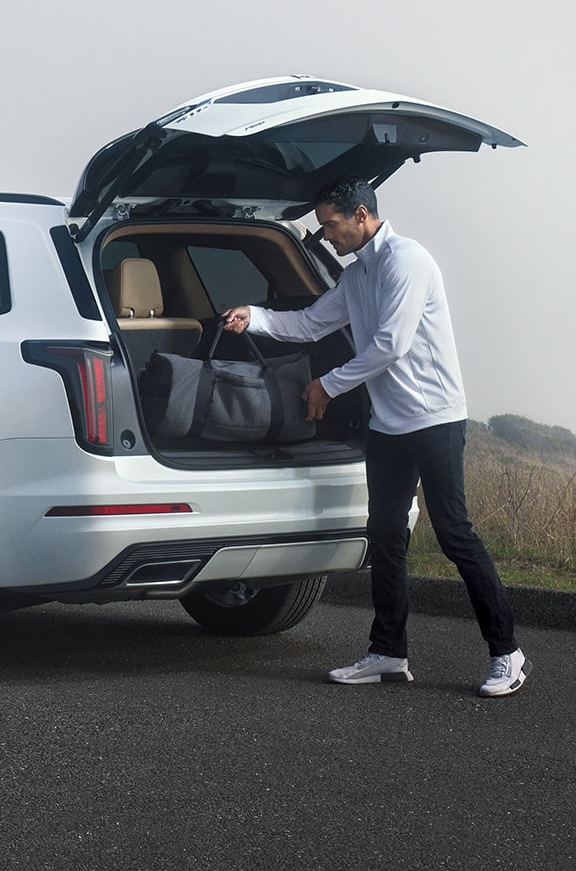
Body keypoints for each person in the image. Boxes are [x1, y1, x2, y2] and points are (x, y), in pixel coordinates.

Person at [221, 176, 530, 697]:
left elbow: (391, 344)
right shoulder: (358, 273)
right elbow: (311, 324)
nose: (327, 236)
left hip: (433, 419)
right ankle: (388, 652)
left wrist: (327, 385)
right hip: (388, 426)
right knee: (386, 538)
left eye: (331, 225)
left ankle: (508, 653)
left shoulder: (406, 261)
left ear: (361, 215)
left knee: (455, 535)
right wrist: (256, 318)